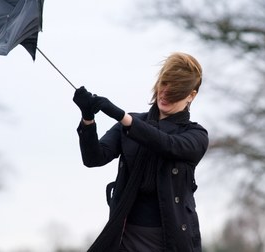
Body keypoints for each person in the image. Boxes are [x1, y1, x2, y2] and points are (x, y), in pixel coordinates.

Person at [72, 52, 208, 252]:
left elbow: (167, 144)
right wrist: (87, 119)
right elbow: (94, 158)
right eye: (164, 84)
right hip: (125, 235)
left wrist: (122, 117)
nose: (165, 94)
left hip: (170, 241)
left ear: (191, 95)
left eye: (175, 91)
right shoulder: (131, 123)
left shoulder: (195, 135)